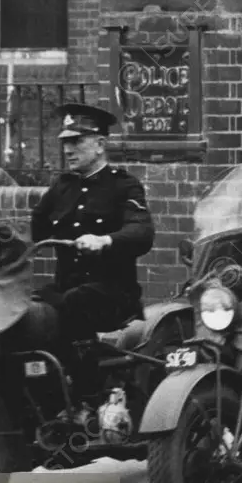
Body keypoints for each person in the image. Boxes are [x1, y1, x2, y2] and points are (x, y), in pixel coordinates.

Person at [30, 102, 155, 397]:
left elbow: (142, 231)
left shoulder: (124, 186)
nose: (68, 150)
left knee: (74, 302)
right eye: (65, 142)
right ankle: (42, 390)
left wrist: (105, 241)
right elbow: (32, 229)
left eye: (77, 141)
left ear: (100, 144)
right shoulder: (62, 187)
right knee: (28, 310)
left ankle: (85, 393)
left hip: (112, 293)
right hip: (66, 289)